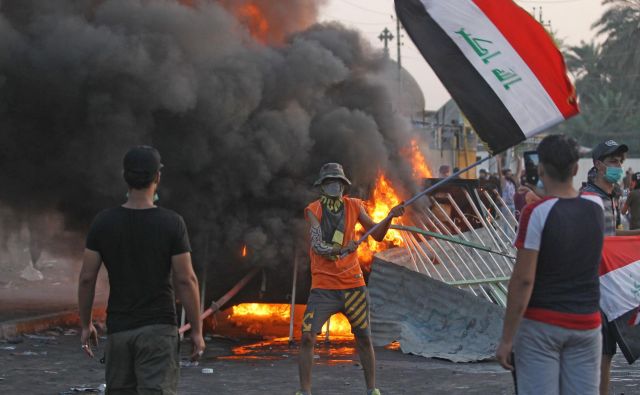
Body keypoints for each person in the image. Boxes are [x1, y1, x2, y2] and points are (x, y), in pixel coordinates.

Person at [78, 146, 205, 394]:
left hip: (120, 330)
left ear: (125, 177)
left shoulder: (103, 221)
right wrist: (197, 330)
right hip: (159, 331)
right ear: (157, 177)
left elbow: (86, 278)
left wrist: (86, 325)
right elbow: (186, 279)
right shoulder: (172, 223)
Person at [496, 135, 605, 395]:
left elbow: (523, 280)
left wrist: (507, 338)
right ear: (576, 169)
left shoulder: (536, 213)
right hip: (587, 324)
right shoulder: (596, 206)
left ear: (540, 169)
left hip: (542, 327)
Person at [297, 163, 404, 395]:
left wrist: (390, 217)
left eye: (337, 182)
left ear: (344, 186)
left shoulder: (355, 206)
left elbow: (377, 234)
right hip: (323, 288)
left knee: (364, 338)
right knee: (307, 337)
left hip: (353, 287)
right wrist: (344, 249)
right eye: (328, 182)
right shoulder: (313, 210)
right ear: (322, 187)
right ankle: (304, 392)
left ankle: (371, 390)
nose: (333, 185)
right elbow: (317, 245)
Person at [581, 139, 640, 395]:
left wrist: (636, 234)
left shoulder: (609, 196)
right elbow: (591, 242)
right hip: (595, 286)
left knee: (605, 353)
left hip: (607, 285)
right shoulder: (590, 199)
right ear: (598, 165)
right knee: (600, 355)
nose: (618, 166)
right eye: (612, 162)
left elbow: (611, 234)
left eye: (620, 161)